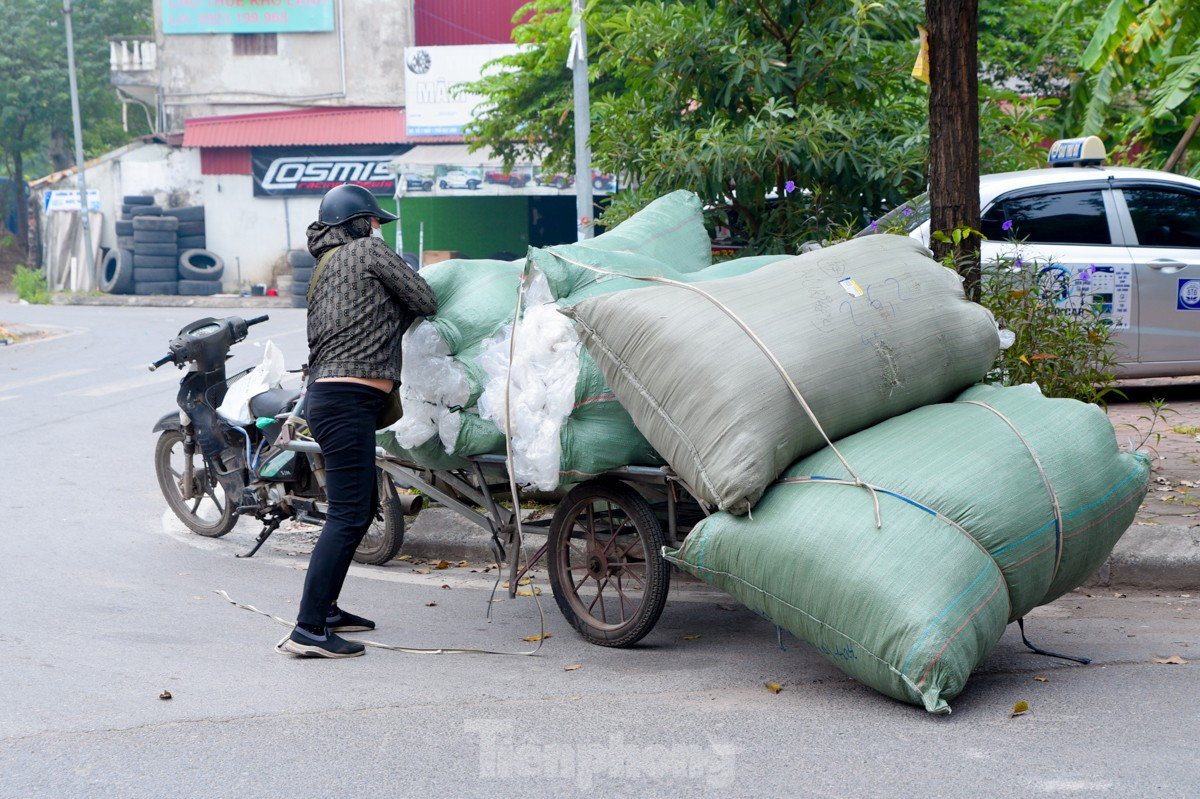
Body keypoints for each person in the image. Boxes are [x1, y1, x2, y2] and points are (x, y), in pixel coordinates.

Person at [276, 183, 438, 658]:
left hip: (330, 401)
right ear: (356, 225)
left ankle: (326, 610)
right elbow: (425, 299)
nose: (377, 229)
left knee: (361, 506)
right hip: (346, 401)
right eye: (372, 222)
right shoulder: (368, 252)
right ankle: (308, 629)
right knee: (348, 514)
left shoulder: (324, 269)